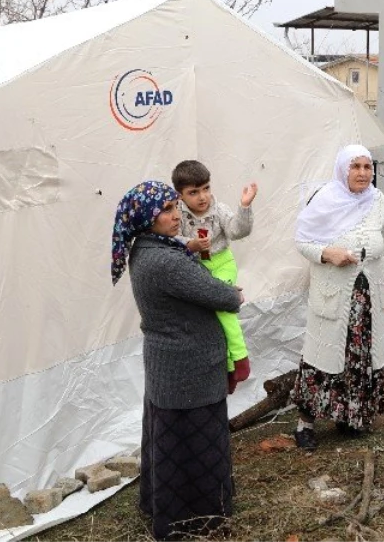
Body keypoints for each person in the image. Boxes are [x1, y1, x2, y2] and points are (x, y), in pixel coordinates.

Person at [110, 181, 243, 539]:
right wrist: (233, 292)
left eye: (174, 207)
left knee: (170, 443)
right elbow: (221, 296)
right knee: (195, 444)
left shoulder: (149, 249)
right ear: (145, 218)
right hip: (188, 368)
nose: (175, 215)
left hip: (171, 365)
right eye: (166, 210)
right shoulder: (164, 260)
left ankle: (165, 508)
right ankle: (196, 519)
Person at [290, 144, 384, 450]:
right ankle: (305, 424)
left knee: (359, 358)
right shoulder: (325, 200)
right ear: (343, 170)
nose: (363, 173)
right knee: (323, 359)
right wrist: (328, 254)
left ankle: (348, 416)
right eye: (356, 167)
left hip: (368, 297)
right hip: (335, 296)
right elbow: (302, 241)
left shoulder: (377, 200)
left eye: (368, 167)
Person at [171, 159, 258, 395]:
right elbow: (171, 239)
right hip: (197, 267)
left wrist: (244, 207)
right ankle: (226, 369)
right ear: (180, 195)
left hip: (222, 264)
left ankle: (239, 358)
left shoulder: (218, 210)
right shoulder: (176, 214)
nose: (202, 197)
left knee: (223, 305)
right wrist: (190, 244)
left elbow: (237, 230)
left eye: (206, 188)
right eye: (194, 192)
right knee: (208, 317)